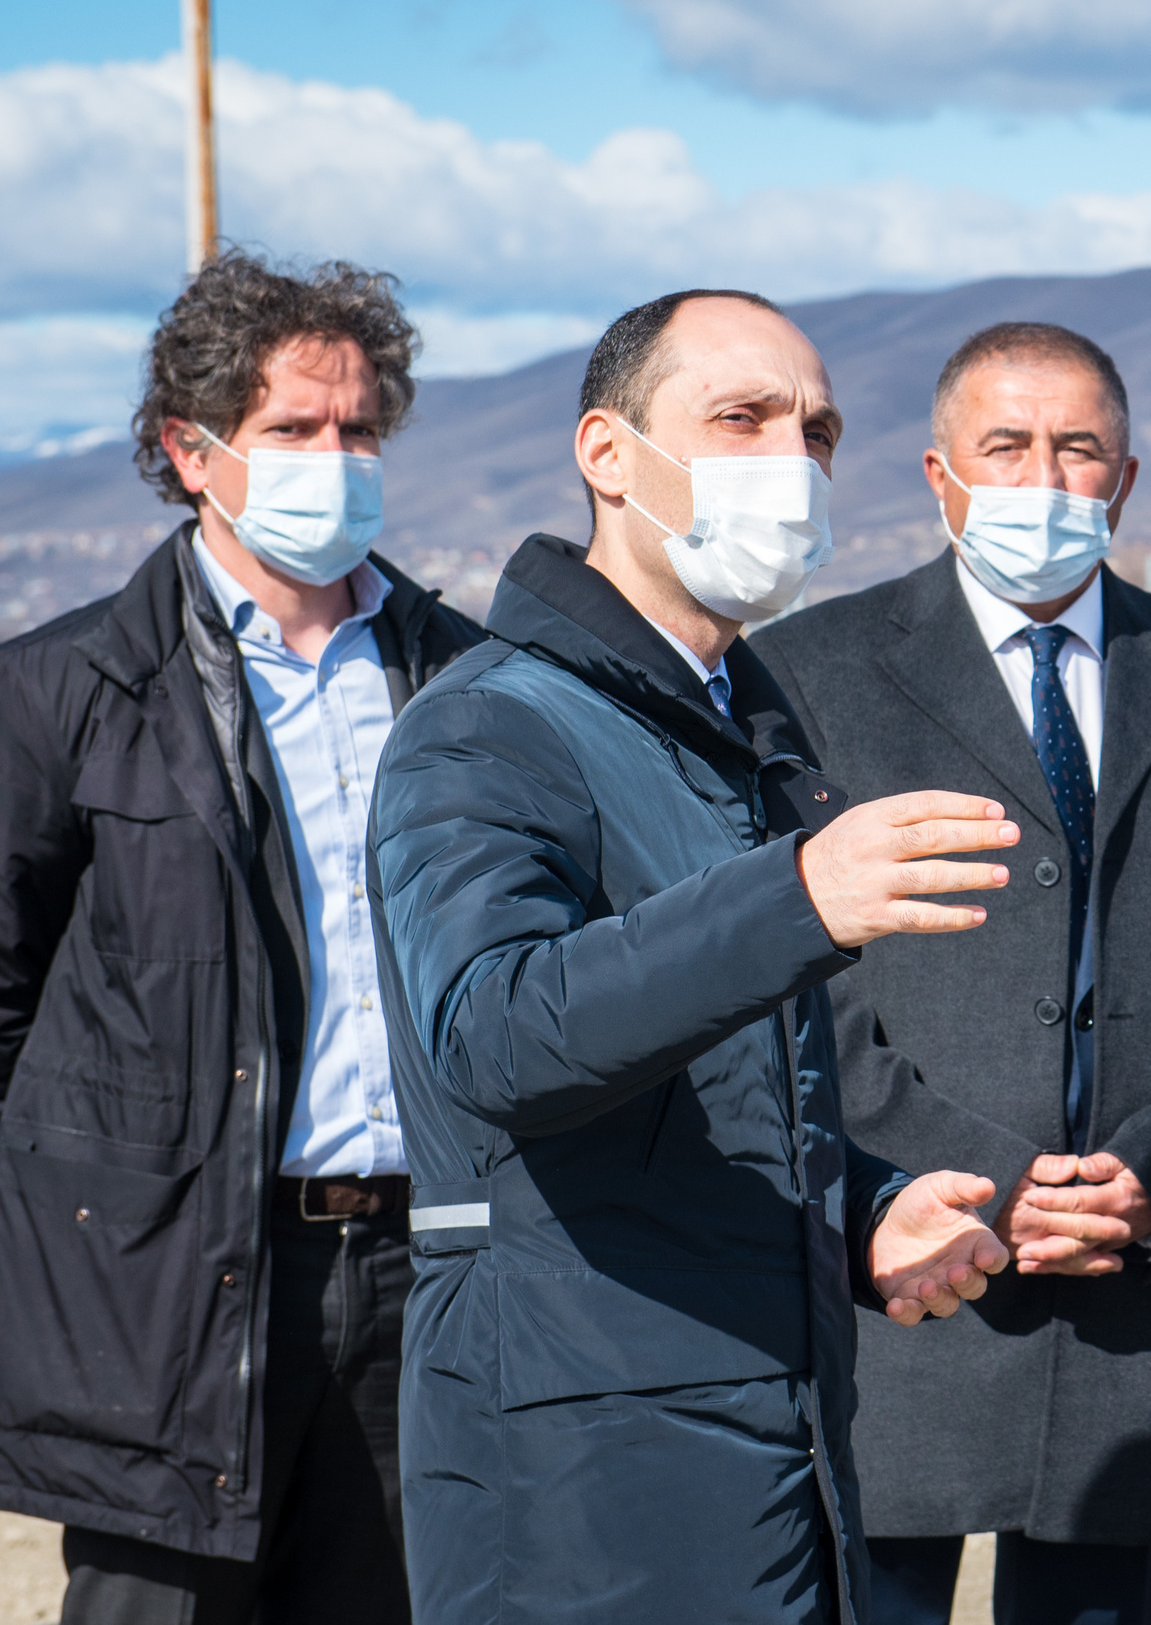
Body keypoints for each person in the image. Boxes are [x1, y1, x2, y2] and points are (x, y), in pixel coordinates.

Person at [366, 289, 1012, 1625]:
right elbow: (493, 1038)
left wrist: (860, 1208)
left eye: (819, 430)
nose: (793, 459)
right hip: (585, 1473)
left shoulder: (736, 729)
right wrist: (797, 898)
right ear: (609, 453)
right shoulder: (489, 726)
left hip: (771, 1424)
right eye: (742, 417)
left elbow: (711, 1095)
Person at [749, 322, 1151, 1625]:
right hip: (912, 1262)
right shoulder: (806, 674)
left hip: (1144, 1279)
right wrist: (988, 1181)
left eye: (1079, 450)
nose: (1043, 479)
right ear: (940, 473)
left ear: (1125, 481)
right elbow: (793, 972)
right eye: (1004, 447)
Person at [0, 252, 483, 1622]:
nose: (336, 459)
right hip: (166, 1286)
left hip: (425, 1272)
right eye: (294, 430)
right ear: (192, 451)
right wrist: (126, 1182)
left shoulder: (467, 680)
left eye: (360, 429)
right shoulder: (53, 693)